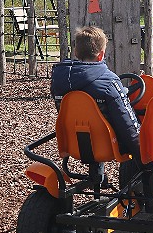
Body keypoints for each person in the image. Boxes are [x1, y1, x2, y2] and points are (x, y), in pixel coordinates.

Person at [50, 25, 141, 162]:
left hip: (74, 144)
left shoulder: (59, 80)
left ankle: (96, 178)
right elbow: (128, 126)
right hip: (109, 145)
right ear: (101, 55)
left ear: (76, 52)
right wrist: (144, 153)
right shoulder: (109, 82)